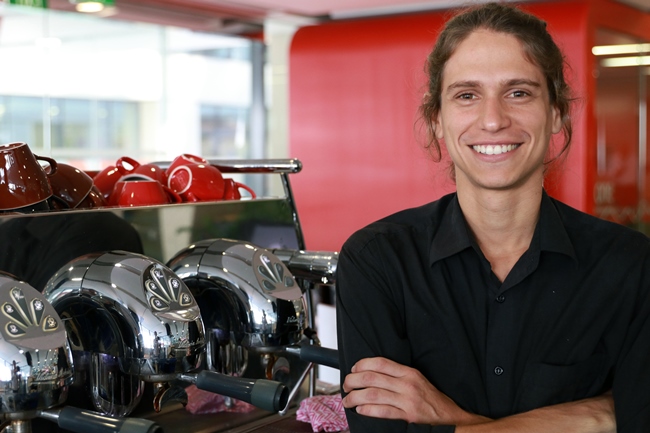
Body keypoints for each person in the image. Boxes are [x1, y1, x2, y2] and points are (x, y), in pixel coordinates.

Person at [336, 2, 650, 432]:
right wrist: (593, 416)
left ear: (556, 113)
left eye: (518, 93)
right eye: (467, 95)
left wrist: (448, 418)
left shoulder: (632, 265)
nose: (492, 120)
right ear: (437, 120)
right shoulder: (378, 261)